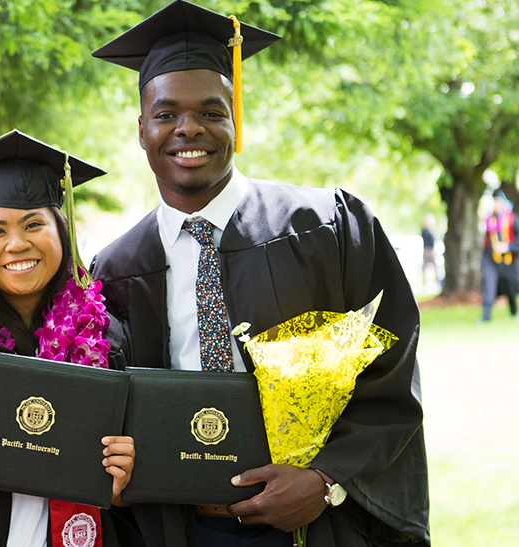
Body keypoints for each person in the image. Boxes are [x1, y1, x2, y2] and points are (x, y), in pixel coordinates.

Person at [90, 2, 429, 546]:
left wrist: (326, 481)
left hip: (316, 524)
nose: (188, 129)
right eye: (166, 113)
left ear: (235, 118)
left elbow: (391, 365)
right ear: (141, 129)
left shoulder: (329, 226)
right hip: (177, 526)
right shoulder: (116, 269)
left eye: (211, 110)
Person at [0, 129, 142, 546]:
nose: (16, 244)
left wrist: (125, 481)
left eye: (34, 224)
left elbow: (127, 487)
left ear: (61, 231)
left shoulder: (107, 336)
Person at [480, 189, 519, 322]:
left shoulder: (513, 219)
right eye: (494, 202)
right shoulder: (490, 219)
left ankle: (514, 312)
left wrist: (508, 247)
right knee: (488, 285)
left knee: (511, 286)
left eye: (497, 202)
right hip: (490, 259)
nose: (495, 205)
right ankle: (486, 317)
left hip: (508, 260)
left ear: (503, 203)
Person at [420, 214, 439, 288]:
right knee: (424, 268)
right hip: (427, 250)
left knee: (435, 267)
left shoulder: (430, 231)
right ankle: (424, 283)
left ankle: (437, 281)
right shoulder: (425, 231)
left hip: (430, 250)